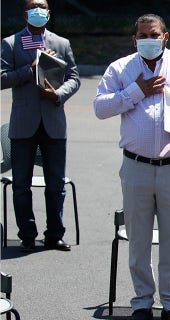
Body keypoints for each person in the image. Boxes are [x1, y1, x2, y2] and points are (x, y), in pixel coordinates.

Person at [93, 14, 170, 320]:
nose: (150, 39)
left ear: (166, 37)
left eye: (155, 34)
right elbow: (100, 107)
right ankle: (142, 302)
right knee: (138, 240)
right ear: (134, 39)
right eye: (143, 36)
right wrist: (136, 91)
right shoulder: (121, 68)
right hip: (136, 166)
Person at [0, 0, 80, 252]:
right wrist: (29, 68)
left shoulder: (61, 43)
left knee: (55, 184)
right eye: (34, 7)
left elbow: (74, 77)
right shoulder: (11, 43)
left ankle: (54, 235)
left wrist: (58, 95)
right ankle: (27, 235)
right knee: (21, 185)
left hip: (53, 122)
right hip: (24, 124)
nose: (39, 11)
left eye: (42, 6)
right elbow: (2, 78)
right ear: (25, 14)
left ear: (48, 12)